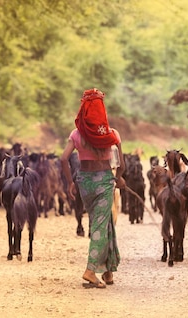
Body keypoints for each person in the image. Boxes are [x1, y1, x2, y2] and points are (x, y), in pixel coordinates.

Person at [61, 88, 126, 289]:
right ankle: (90, 271)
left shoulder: (76, 134)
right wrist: (119, 178)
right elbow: (121, 164)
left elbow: (64, 159)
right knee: (100, 225)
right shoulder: (112, 135)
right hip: (105, 182)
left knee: (105, 223)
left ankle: (108, 271)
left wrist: (71, 182)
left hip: (85, 183)